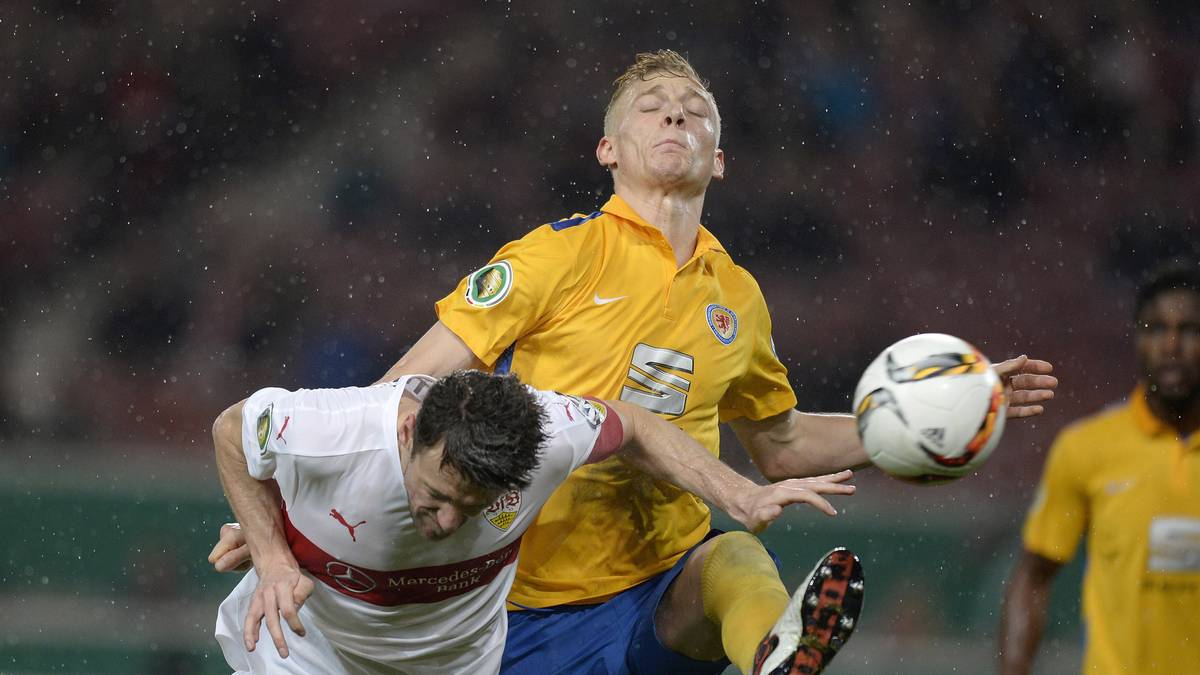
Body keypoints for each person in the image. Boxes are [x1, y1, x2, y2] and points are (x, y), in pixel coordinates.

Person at [213, 50, 1058, 675]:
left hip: (656, 584)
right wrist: (302, 507)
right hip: (520, 601)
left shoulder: (741, 298)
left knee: (733, 560)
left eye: (693, 110)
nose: (675, 116)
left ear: (719, 157)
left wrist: (937, 415)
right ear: (607, 151)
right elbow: (411, 392)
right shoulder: (556, 257)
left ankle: (775, 653)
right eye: (652, 107)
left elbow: (782, 444)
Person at [213, 370, 856, 674]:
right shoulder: (337, 428)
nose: (446, 522)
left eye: (473, 507)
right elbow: (232, 430)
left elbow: (633, 422)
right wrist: (271, 549)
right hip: (309, 656)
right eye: (437, 495)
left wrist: (738, 495)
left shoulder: (550, 434)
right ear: (409, 431)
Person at [998, 261, 1200, 674]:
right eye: (1156, 329)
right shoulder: (1086, 449)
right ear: (1137, 340)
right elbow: (1034, 577)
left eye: (1190, 330)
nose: (1172, 345)